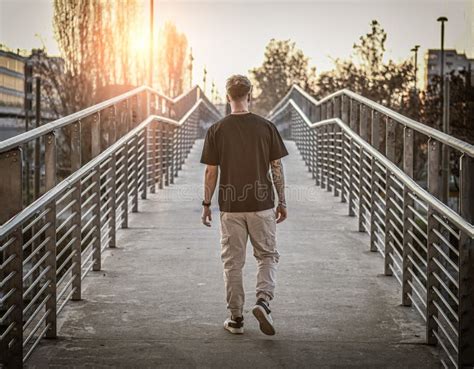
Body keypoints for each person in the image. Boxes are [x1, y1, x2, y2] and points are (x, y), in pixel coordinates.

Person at [200, 74, 288, 336]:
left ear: (228, 97)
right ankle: (263, 302)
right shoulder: (267, 127)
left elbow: (210, 172)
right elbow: (276, 167)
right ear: (250, 95)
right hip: (261, 204)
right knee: (267, 256)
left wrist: (206, 204)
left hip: (230, 207)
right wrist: (281, 200)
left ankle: (236, 319)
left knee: (233, 263)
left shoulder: (216, 130)